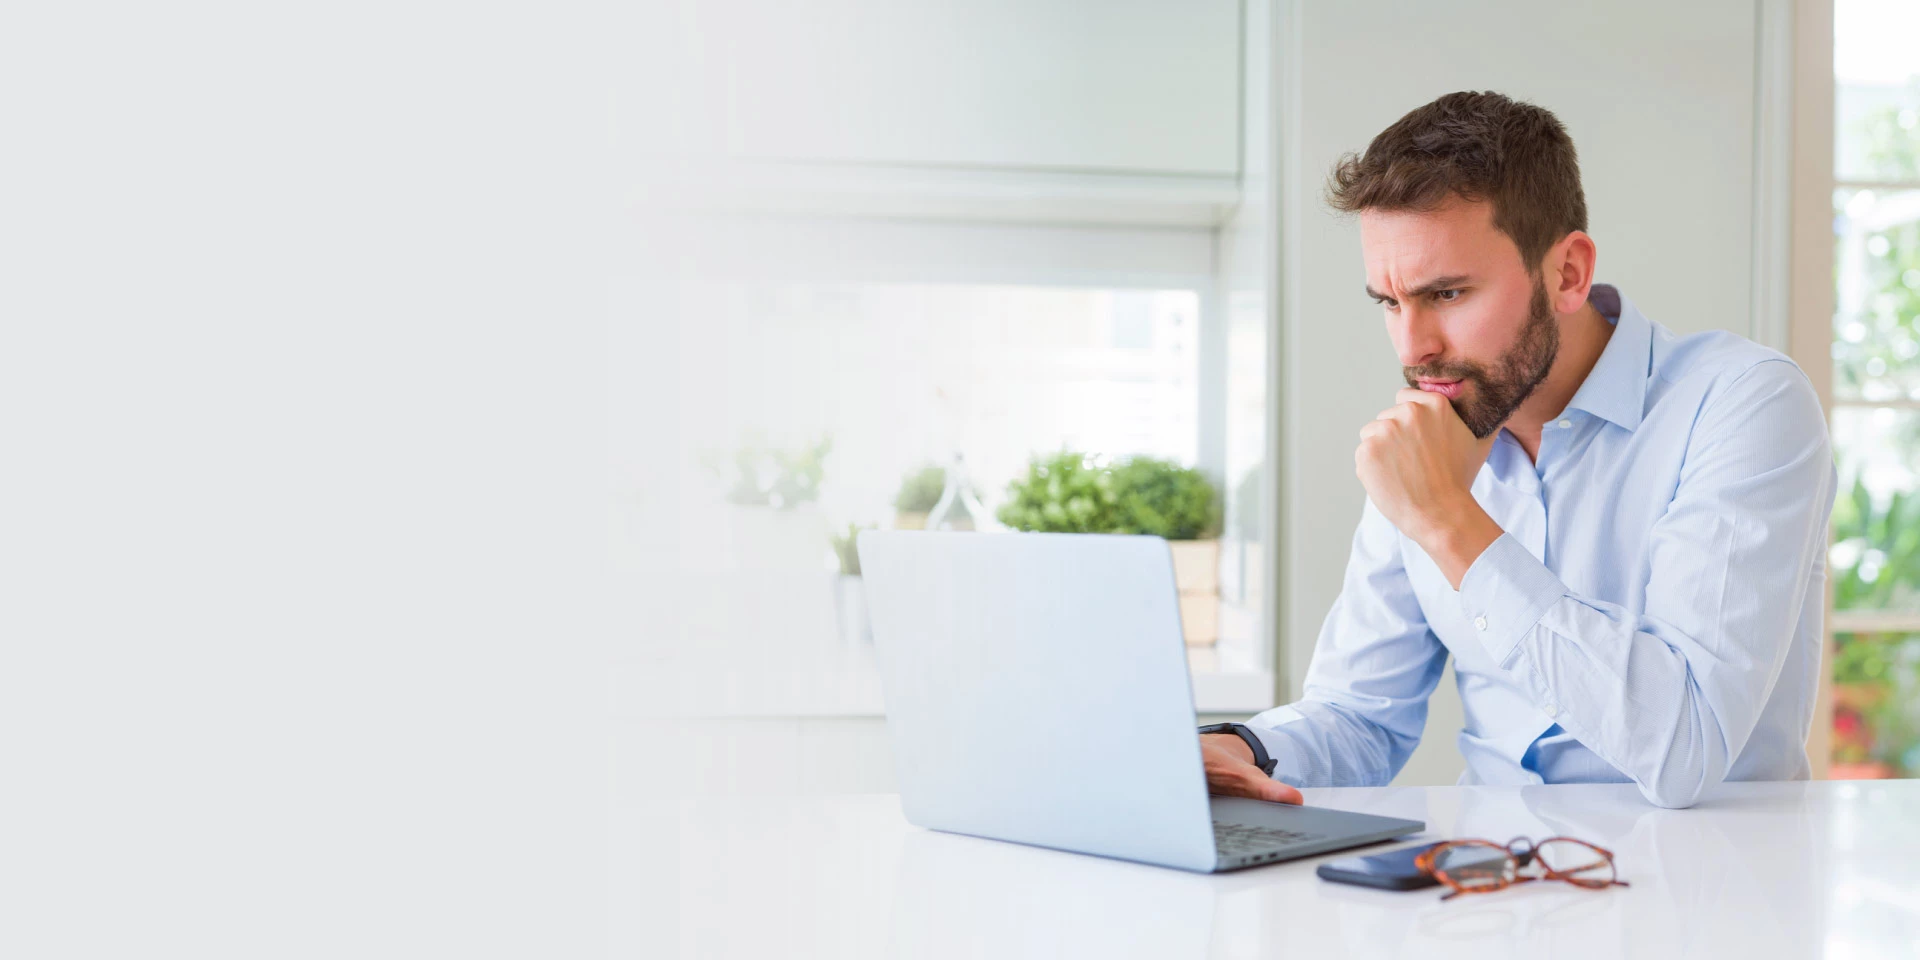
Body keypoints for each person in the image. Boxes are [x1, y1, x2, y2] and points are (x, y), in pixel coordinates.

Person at [1198, 91, 1835, 810]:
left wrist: (1448, 522)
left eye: (1446, 293)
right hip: (1490, 890)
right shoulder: (1436, 436)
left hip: (1708, 890)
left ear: (1567, 273)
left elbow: (1684, 743)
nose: (1413, 347)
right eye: (1388, 302)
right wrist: (1239, 750)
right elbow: (1358, 717)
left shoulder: (1743, 404)